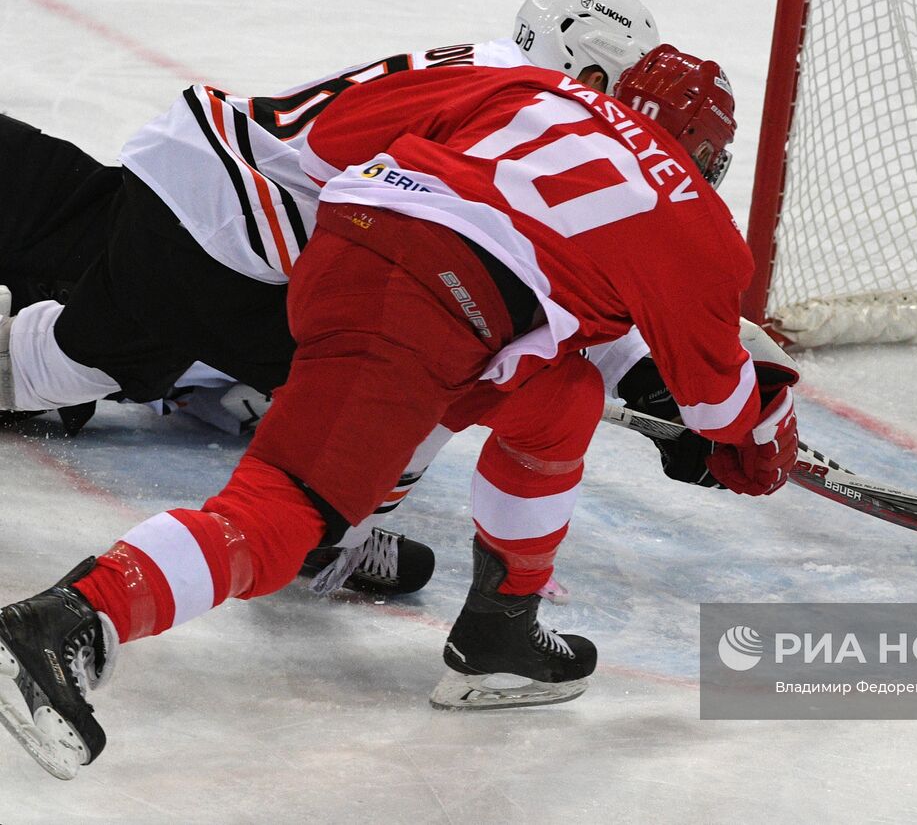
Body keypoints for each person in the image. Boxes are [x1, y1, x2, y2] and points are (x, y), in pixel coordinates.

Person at [0, 44, 800, 781]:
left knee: (562, 397)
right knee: (283, 517)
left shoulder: (532, 85)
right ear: (704, 151)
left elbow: (342, 129)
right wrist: (761, 435)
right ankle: (69, 620)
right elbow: (719, 406)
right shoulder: (693, 214)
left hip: (346, 248)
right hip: (421, 298)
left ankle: (500, 631)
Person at [0, 0, 660, 597]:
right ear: (589, 67)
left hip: (188, 174)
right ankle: (332, 521)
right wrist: (651, 368)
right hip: (239, 237)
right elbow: (524, 286)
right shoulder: (529, 120)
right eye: (625, 95)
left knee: (59, 357)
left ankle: (232, 405)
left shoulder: (484, 66)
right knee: (446, 346)